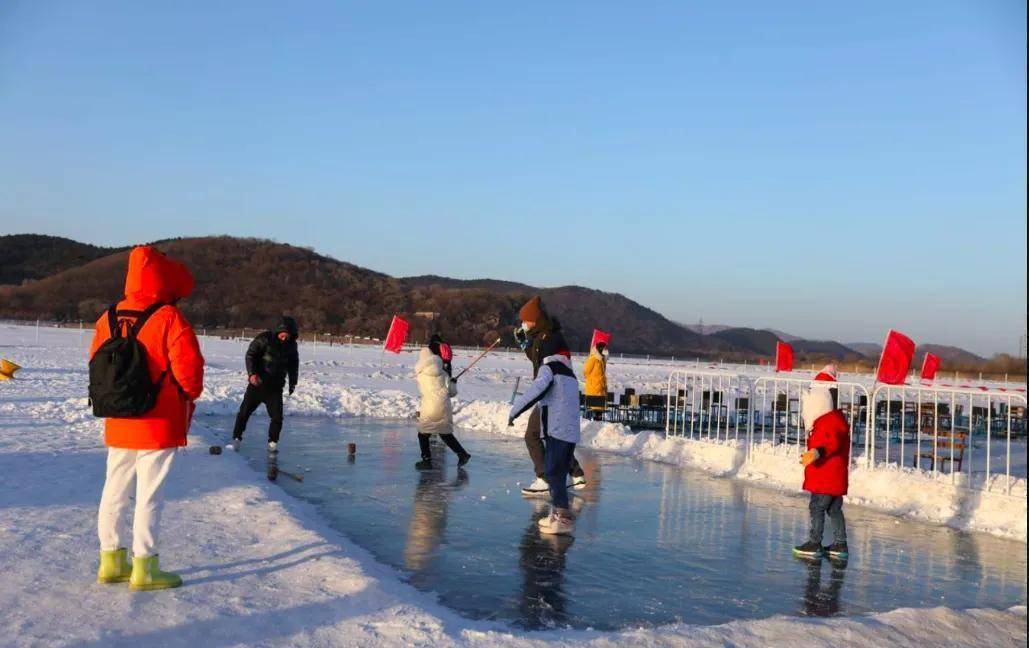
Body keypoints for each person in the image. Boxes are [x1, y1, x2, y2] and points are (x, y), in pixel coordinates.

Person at [90, 246, 204, 591]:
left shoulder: (106, 317)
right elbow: (190, 373)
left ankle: (110, 560)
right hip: (157, 421)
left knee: (114, 488)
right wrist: (187, 396)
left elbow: (97, 365)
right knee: (149, 494)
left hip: (118, 418)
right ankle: (145, 568)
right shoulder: (168, 317)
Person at [509, 308, 582, 535]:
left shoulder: (549, 356)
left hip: (556, 422)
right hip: (567, 425)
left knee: (553, 472)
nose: (524, 325)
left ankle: (561, 515)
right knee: (556, 467)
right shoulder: (567, 373)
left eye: (527, 321)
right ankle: (562, 503)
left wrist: (515, 410)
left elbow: (538, 386)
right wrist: (525, 345)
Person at [793, 365, 850, 560]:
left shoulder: (829, 421)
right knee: (834, 508)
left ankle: (815, 542)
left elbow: (832, 443)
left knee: (817, 507)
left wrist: (817, 452)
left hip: (827, 475)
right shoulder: (827, 419)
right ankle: (840, 544)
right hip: (830, 475)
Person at [231, 317, 299, 452]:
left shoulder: (291, 346)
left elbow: (293, 365)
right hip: (258, 384)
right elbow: (250, 355)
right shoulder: (264, 339)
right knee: (244, 413)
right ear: (278, 331)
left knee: (277, 417)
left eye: (288, 336)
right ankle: (236, 439)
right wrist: (252, 374)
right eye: (283, 335)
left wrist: (292, 383)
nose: (284, 338)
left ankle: (272, 443)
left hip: (275, 388)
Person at [415, 339, 470, 469]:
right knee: (444, 433)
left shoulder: (421, 375)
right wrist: (453, 382)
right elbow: (451, 393)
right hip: (444, 407)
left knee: (422, 434)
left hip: (430, 408)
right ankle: (462, 454)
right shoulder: (444, 373)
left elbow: (422, 391)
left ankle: (426, 459)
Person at [582, 340, 609, 420]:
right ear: (600, 348)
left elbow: (602, 373)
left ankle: (597, 425)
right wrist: (593, 380)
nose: (605, 349)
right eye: (604, 348)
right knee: (595, 410)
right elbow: (586, 372)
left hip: (601, 388)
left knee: (599, 411)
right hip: (594, 388)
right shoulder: (593, 359)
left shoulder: (602, 360)